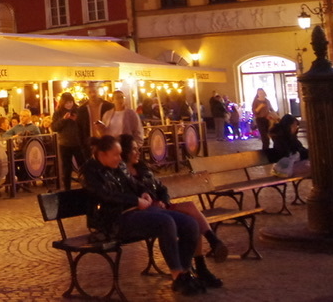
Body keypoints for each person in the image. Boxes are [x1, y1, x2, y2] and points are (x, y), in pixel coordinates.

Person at [81, 135, 208, 296]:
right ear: (102, 154)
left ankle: (185, 271)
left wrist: (144, 192)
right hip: (113, 220)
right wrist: (135, 200)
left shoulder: (119, 165)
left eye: (120, 154)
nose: (120, 158)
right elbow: (105, 195)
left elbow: (134, 184)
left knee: (189, 223)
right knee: (165, 222)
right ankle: (177, 275)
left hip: (137, 212)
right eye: (116, 154)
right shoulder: (90, 171)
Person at [121, 136, 227, 281]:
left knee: (190, 209)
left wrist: (164, 201)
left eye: (138, 149)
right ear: (125, 152)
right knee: (189, 217)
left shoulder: (142, 168)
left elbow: (162, 188)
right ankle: (205, 256)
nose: (138, 152)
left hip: (161, 206)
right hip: (148, 212)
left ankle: (207, 254)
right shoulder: (122, 174)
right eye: (134, 149)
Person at [52, 92, 82, 190]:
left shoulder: (78, 110)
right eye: (66, 103)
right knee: (66, 168)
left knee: (82, 166)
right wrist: (63, 119)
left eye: (70, 102)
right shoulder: (58, 112)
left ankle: (85, 186)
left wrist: (76, 120)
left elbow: (83, 125)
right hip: (64, 144)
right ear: (62, 103)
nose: (69, 104)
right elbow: (54, 127)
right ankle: (67, 189)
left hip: (78, 142)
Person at [251, 88, 276, 153]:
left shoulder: (267, 101)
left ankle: (271, 150)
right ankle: (265, 151)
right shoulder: (256, 101)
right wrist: (260, 107)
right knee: (264, 137)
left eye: (262, 93)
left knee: (271, 135)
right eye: (259, 93)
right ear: (258, 94)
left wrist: (275, 116)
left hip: (267, 119)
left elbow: (271, 109)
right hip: (260, 120)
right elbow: (254, 112)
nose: (261, 94)